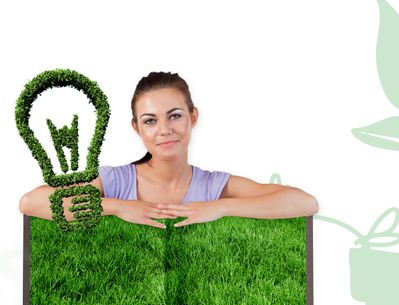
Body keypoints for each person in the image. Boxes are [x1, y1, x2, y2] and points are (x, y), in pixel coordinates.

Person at [19, 72, 318, 229]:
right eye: (150, 121)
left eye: (174, 115)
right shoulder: (114, 182)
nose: (164, 129)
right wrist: (117, 206)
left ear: (193, 117)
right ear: (137, 127)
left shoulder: (214, 186)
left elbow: (303, 202)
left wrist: (220, 207)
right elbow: (32, 202)